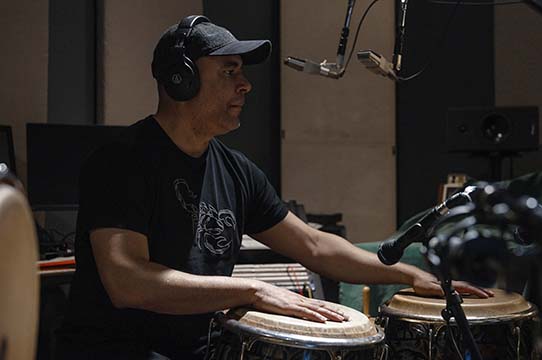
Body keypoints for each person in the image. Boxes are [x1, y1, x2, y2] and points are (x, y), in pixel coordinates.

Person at [56, 15, 492, 360]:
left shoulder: (236, 171)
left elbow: (315, 247)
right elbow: (127, 281)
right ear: (180, 80)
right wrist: (255, 289)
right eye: (229, 71)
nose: (245, 84)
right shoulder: (121, 161)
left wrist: (408, 273)